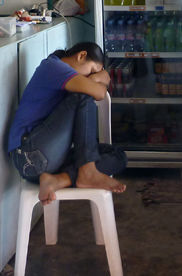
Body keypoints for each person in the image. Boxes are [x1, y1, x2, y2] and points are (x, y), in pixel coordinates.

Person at [8, 42, 127, 205]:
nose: (88, 77)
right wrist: (99, 78)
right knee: (82, 97)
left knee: (118, 155)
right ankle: (87, 172)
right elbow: (99, 92)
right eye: (91, 71)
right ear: (81, 55)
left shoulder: (62, 71)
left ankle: (58, 180)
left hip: (46, 158)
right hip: (29, 155)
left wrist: (98, 76)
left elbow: (101, 86)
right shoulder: (54, 67)